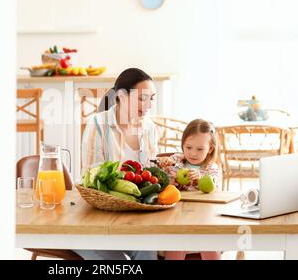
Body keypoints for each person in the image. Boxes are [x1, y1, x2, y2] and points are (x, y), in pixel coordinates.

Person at [75, 68, 160, 260]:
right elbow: (92, 179)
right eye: (142, 98)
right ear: (121, 96)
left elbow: (151, 175)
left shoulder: (150, 128)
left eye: (152, 98)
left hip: (134, 219)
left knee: (148, 251)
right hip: (95, 220)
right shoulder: (98, 124)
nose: (148, 105)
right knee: (117, 262)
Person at [156, 119, 222, 260]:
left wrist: (200, 180)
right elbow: (164, 186)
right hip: (177, 217)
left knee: (210, 247)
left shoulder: (211, 168)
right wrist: (165, 171)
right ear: (182, 145)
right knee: (176, 245)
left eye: (200, 149)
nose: (193, 153)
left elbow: (215, 188)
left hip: (203, 218)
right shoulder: (176, 161)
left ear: (210, 149)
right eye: (188, 147)